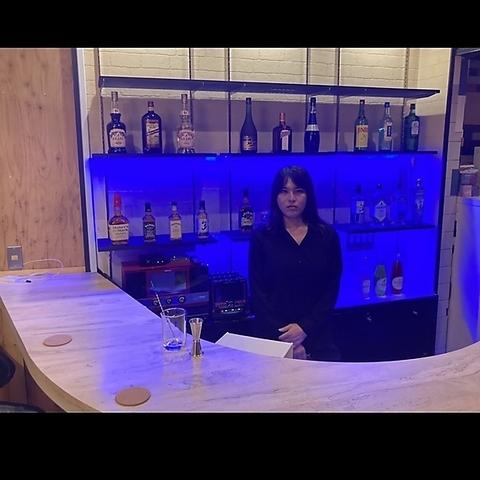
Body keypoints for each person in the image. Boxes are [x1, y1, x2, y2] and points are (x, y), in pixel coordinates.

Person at [248, 165, 342, 361]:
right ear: (275, 197)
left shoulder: (326, 236)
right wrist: (288, 341)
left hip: (319, 336)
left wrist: (305, 328)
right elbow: (259, 294)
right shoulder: (262, 238)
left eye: (298, 191)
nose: (291, 198)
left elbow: (331, 290)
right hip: (273, 338)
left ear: (308, 196)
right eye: (284, 191)